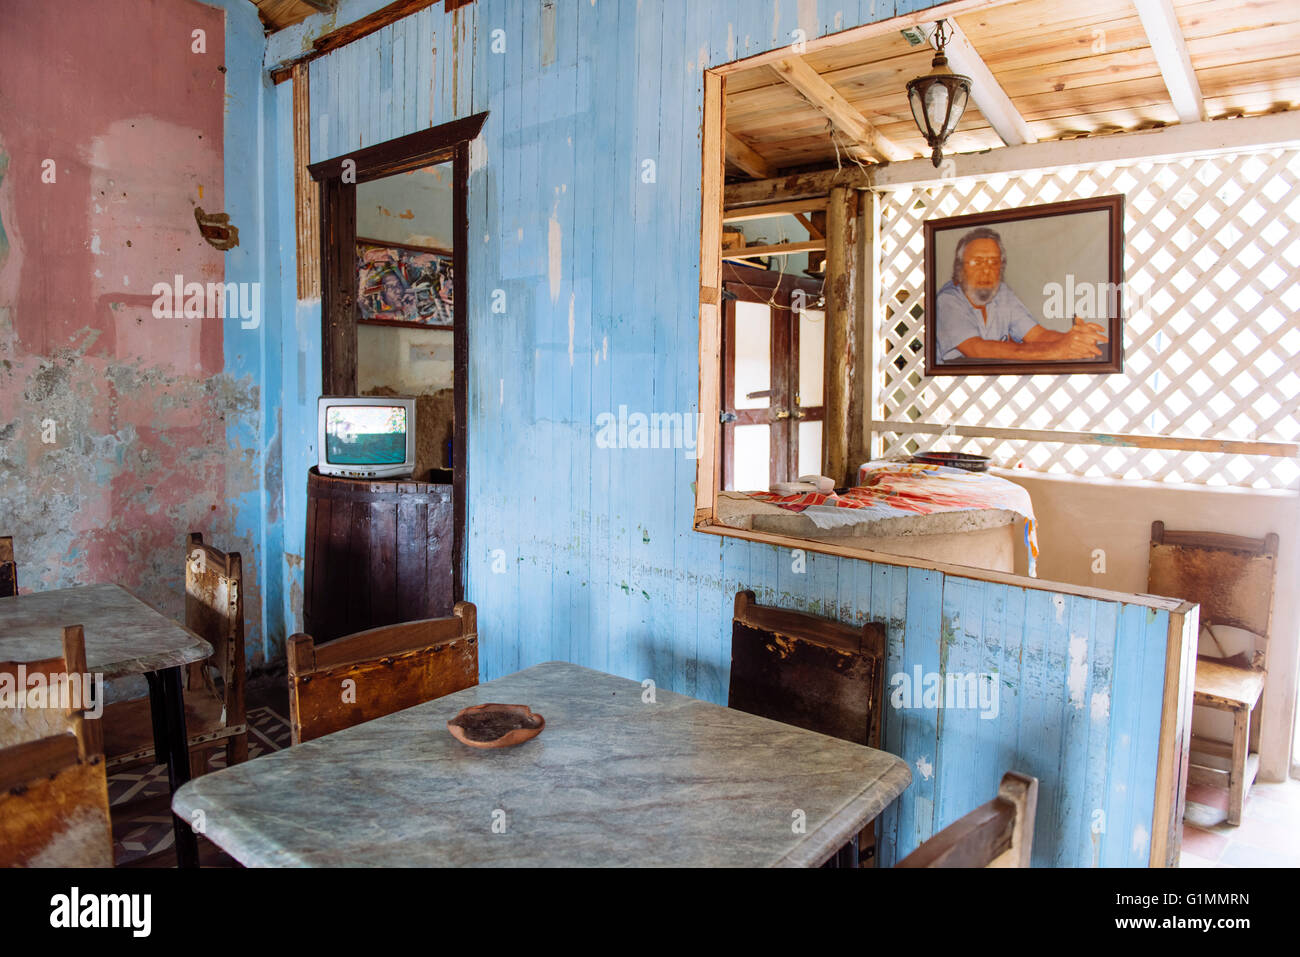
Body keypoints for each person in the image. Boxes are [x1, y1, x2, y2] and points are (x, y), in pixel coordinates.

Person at [934, 227, 1108, 363]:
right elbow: (977, 350)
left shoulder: (1002, 294)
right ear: (960, 268)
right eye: (978, 262)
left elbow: (1037, 335)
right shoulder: (947, 300)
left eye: (994, 263)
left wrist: (1075, 339)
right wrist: (1057, 349)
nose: (986, 271)